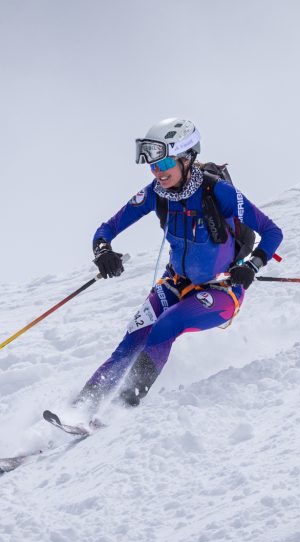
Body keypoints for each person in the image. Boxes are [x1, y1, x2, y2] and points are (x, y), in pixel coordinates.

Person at [74, 117, 284, 413]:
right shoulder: (156, 194)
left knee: (166, 326)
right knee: (133, 338)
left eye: (163, 164)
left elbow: (272, 231)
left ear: (186, 158)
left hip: (221, 290)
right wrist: (103, 251)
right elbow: (106, 228)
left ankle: (119, 409)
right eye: (152, 166)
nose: (157, 172)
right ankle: (80, 408)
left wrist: (252, 266)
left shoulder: (218, 192)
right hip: (175, 282)